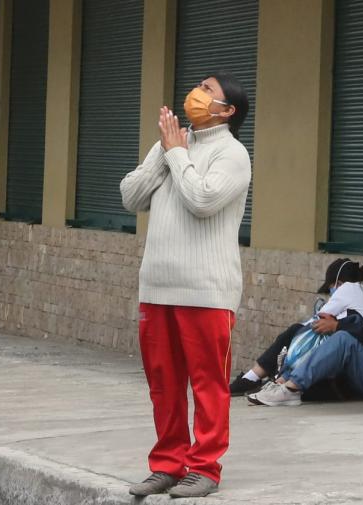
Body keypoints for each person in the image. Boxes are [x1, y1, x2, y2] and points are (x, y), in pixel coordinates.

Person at [120, 71, 250, 498]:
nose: (196, 93)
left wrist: (177, 154)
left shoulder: (233, 154)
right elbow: (131, 196)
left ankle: (205, 468)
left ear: (226, 110)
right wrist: (167, 151)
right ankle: (168, 465)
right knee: (164, 384)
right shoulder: (172, 145)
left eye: (207, 90)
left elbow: (202, 201)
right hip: (156, 288)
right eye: (199, 86)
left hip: (206, 292)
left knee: (207, 383)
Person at [247, 245, 363, 407]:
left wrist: (337, 326)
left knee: (343, 339)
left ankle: (291, 389)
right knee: (337, 330)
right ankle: (284, 381)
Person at [230, 258, 363, 397]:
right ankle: (268, 380)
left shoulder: (348, 289)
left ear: (338, 283)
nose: (331, 294)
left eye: (331, 288)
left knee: (297, 331)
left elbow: (315, 322)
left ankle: (258, 378)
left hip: (346, 363)